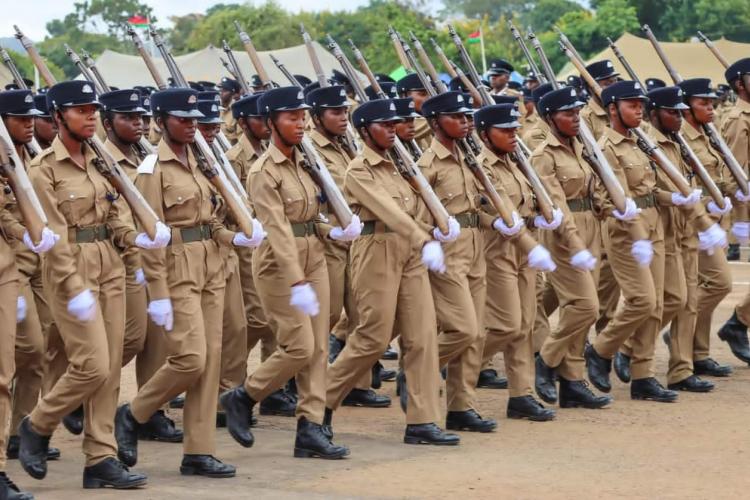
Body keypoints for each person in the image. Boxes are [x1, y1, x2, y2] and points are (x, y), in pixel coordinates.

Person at [20, 80, 164, 489]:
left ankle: (100, 456)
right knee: (92, 364)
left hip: (110, 267)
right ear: (57, 116)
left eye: (93, 111)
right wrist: (72, 285)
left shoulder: (100, 160)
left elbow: (113, 215)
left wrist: (137, 241)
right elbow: (54, 234)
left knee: (111, 369)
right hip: (72, 273)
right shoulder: (42, 169)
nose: (91, 117)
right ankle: (38, 422)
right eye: (81, 111)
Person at [114, 88, 264, 478]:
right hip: (175, 271)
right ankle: (133, 413)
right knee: (191, 357)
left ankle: (198, 450)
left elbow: (210, 222)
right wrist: (157, 293)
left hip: (212, 267)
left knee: (210, 362)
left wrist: (236, 238)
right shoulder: (151, 169)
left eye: (194, 119)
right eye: (182, 119)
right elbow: (147, 232)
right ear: (162, 123)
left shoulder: (202, 162)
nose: (192, 125)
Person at [220, 86, 359, 459]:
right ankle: (244, 395)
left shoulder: (305, 162)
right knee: (299, 346)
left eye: (302, 117)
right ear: (270, 123)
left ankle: (310, 428)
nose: (300, 124)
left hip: (314, 255)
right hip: (280, 266)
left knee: (316, 350)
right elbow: (278, 229)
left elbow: (311, 218)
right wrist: (296, 277)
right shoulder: (263, 172)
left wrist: (334, 230)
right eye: (291, 118)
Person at [325, 98, 459, 444]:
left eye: (394, 124)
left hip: (410, 252)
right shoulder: (359, 170)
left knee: (422, 337)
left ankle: (422, 421)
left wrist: (438, 229)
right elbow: (387, 211)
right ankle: (318, 404)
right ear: (366, 129)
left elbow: (415, 209)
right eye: (385, 125)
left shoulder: (399, 165)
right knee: (373, 338)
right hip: (377, 250)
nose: (392, 129)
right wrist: (421, 237)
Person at [99, 89, 184, 443]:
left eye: (141, 118)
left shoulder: (148, 156)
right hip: (121, 260)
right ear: (108, 123)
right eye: (128, 118)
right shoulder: (101, 160)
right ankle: (89, 395)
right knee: (130, 339)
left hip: (155, 258)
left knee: (158, 341)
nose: (138, 124)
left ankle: (150, 413)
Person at [583, 81, 675, 402]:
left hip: (653, 227)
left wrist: (680, 197)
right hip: (626, 232)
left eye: (641, 105)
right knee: (642, 300)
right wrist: (635, 231)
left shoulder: (639, 141)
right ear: (613, 109)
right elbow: (609, 198)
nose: (640, 110)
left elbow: (648, 192)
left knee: (658, 304)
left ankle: (643, 375)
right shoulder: (605, 147)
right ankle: (600, 349)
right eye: (632, 105)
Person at [633, 85, 726, 392]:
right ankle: (621, 350)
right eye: (674, 112)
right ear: (655, 113)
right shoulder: (646, 143)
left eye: (682, 112)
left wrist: (719, 201)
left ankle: (682, 369)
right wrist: (675, 199)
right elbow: (644, 190)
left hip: (688, 227)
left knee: (685, 300)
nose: (680, 118)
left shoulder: (678, 140)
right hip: (661, 229)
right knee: (661, 301)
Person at [473, 103, 558, 420]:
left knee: (524, 325)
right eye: (505, 131)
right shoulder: (483, 167)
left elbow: (528, 203)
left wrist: (544, 216)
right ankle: (451, 363)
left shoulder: (517, 163)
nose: (513, 135)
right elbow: (486, 209)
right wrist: (498, 222)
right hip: (498, 250)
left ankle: (521, 395)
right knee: (506, 324)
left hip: (526, 248)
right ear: (485, 134)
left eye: (514, 129)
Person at [530, 87, 613, 409]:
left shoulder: (581, 147)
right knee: (586, 307)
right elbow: (555, 205)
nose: (575, 118)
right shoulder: (543, 155)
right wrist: (575, 243)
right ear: (550, 118)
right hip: (564, 236)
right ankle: (546, 360)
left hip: (591, 227)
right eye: (568, 114)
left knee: (577, 309)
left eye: (577, 113)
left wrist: (616, 208)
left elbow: (595, 190)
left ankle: (573, 382)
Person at [222, 93, 296, 417]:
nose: (262, 125)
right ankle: (229, 386)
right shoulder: (233, 157)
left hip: (276, 237)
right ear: (242, 122)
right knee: (252, 320)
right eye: (255, 119)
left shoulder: (278, 153)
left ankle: (272, 389)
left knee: (272, 322)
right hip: (243, 245)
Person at [678, 78, 738, 375]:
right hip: (693, 223)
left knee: (707, 286)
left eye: (711, 102)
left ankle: (698, 353)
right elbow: (684, 185)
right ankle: (679, 334)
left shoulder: (705, 133)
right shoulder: (680, 138)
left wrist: (733, 191)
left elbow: (715, 176)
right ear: (687, 107)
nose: (711, 107)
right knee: (718, 283)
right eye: (703, 103)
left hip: (712, 220)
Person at [717, 59, 750, 356]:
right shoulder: (739, 119)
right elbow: (736, 173)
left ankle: (738, 322)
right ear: (740, 84)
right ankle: (738, 322)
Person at [397, 74, 432, 151]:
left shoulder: (425, 116)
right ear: (404, 96)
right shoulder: (398, 120)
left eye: (430, 93)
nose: (429, 98)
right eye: (423, 94)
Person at [219, 77, 241, 144]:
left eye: (225, 90)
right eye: (221, 90)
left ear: (233, 93)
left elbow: (241, 138)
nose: (221, 93)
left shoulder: (237, 110)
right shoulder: (217, 109)